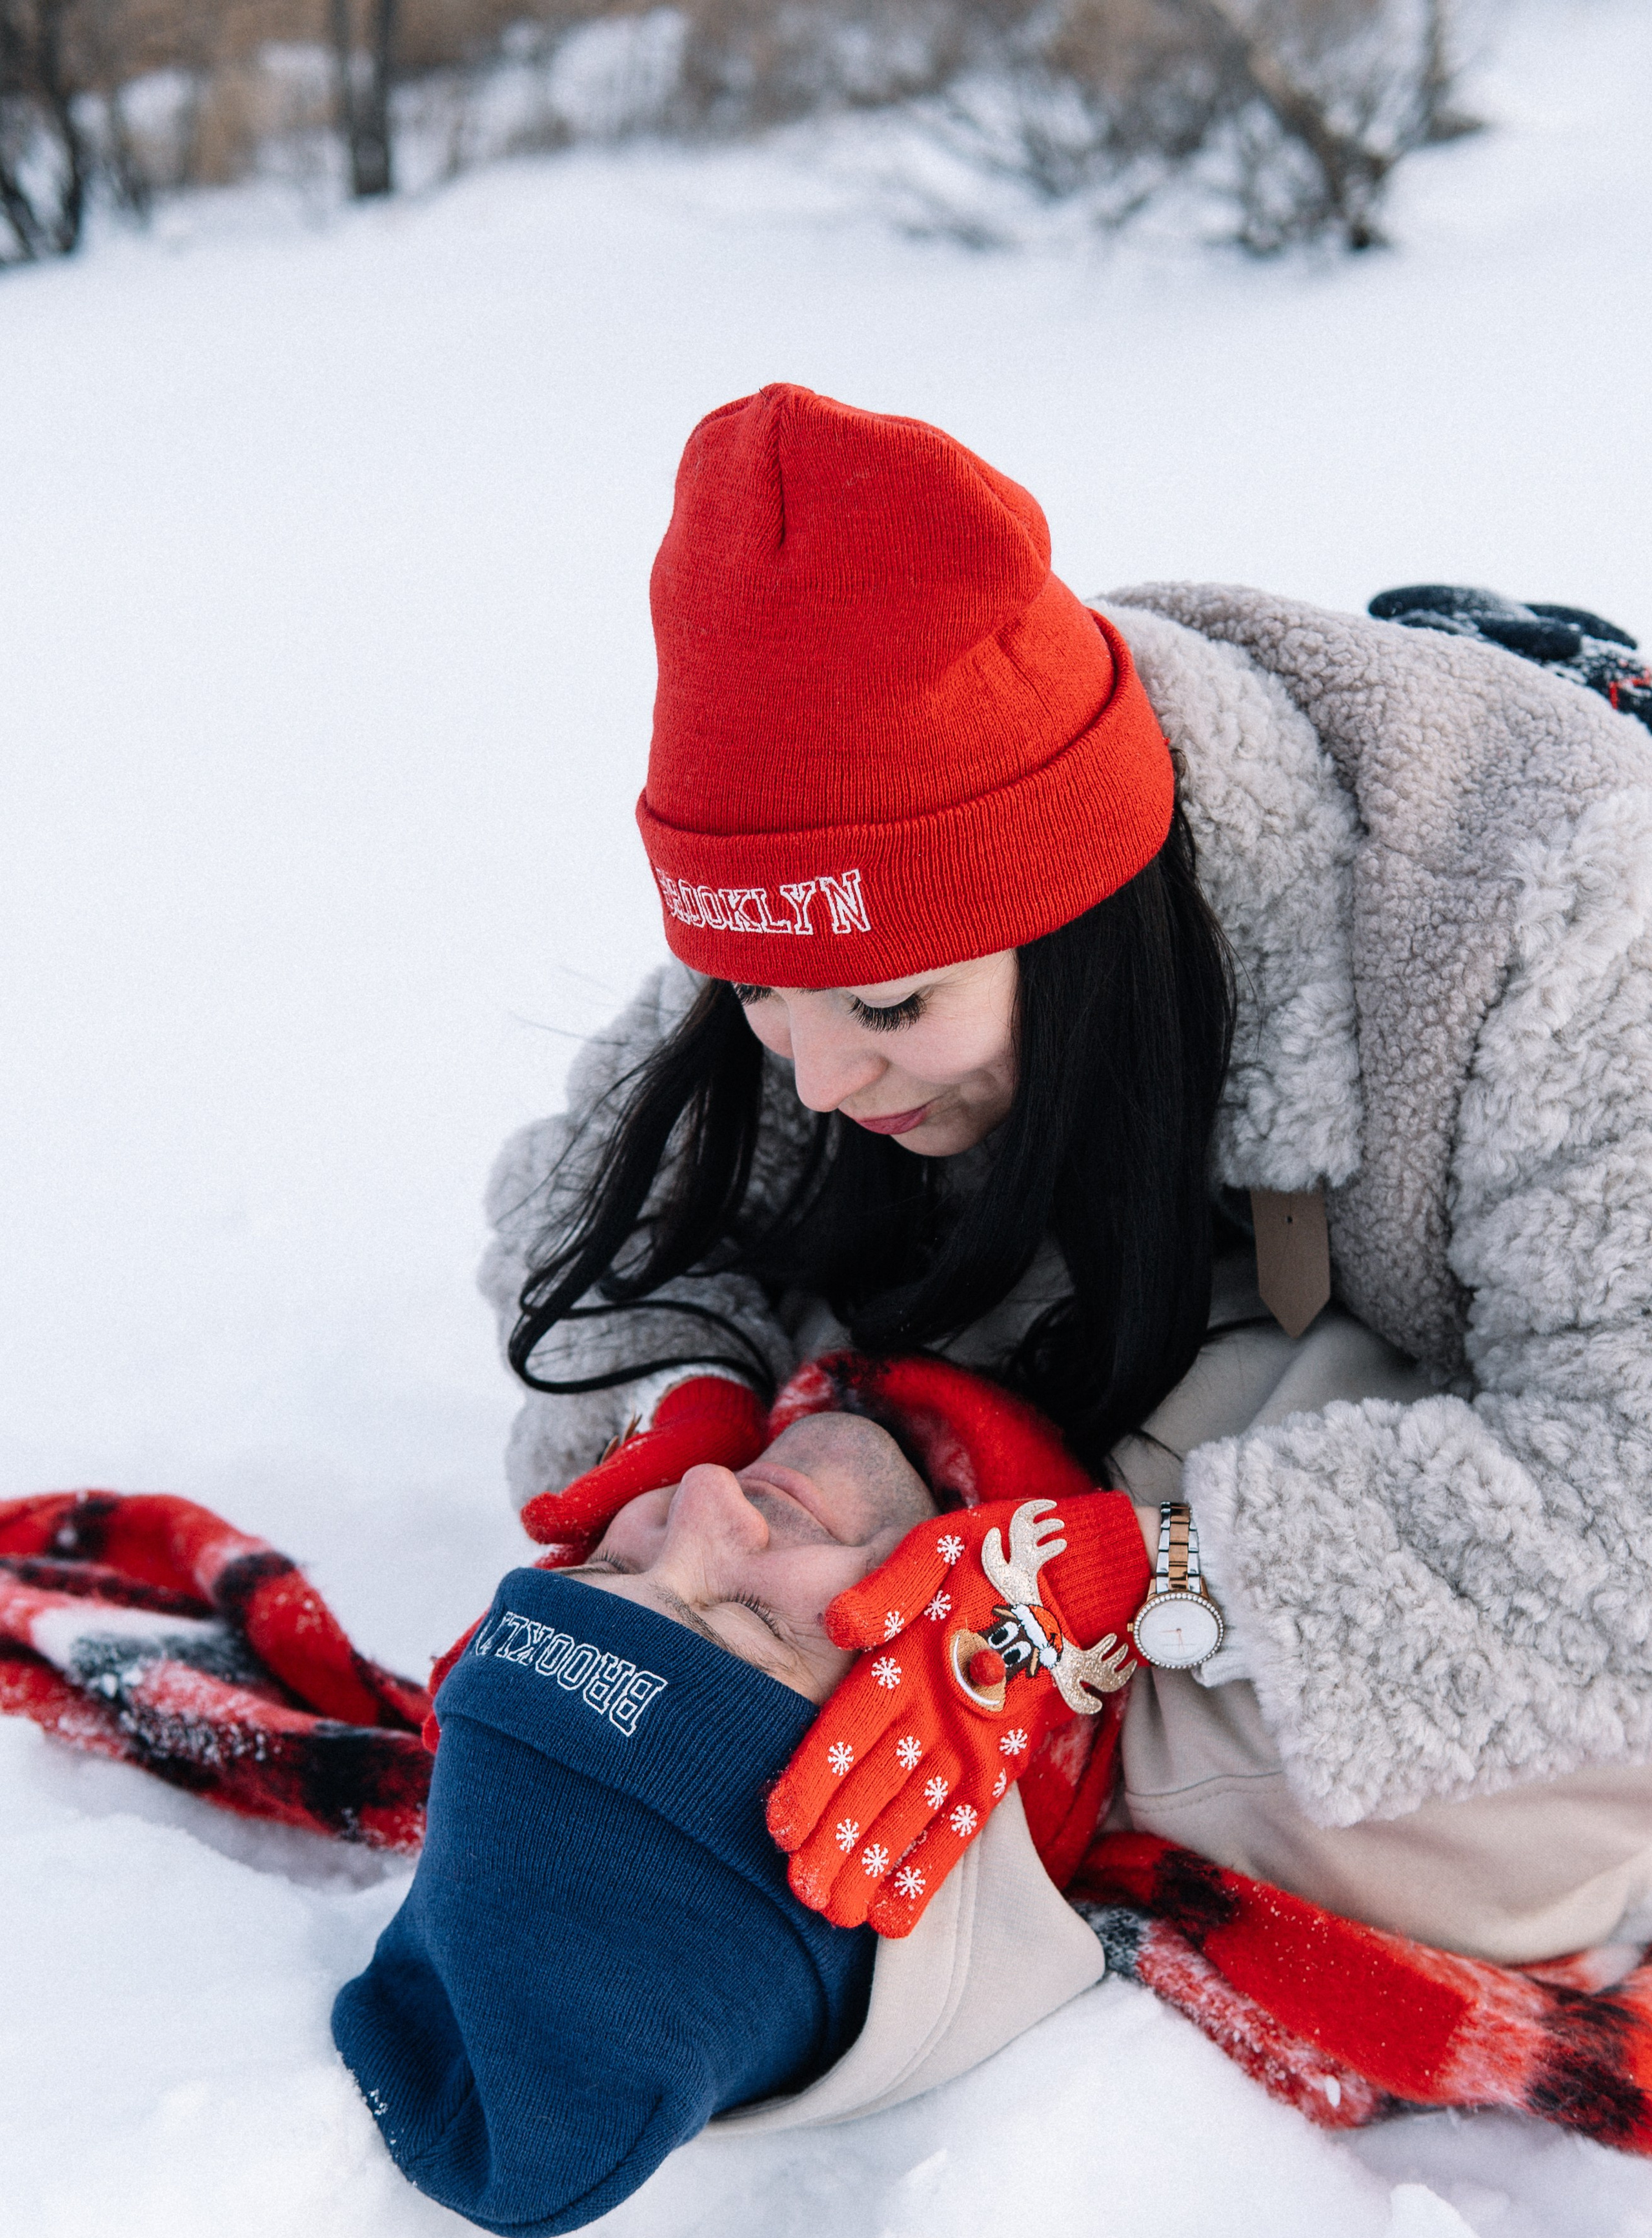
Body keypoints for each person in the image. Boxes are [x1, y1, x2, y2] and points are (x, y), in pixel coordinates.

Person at [479, 381, 1652, 1970]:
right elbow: (594, 1192)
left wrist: (1153, 1572)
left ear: (1078, 909)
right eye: (760, 997)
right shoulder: (845, 903)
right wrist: (676, 1397)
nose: (817, 1080)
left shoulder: (1554, 928)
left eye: (890, 1007)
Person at [332, 1403, 1112, 2236]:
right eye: (748, 1620)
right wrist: (1187, 1557)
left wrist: (697, 1362)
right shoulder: (1247, 1752)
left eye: (606, 1563)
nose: (703, 1491)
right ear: (901, 1792)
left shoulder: (721, 1445)